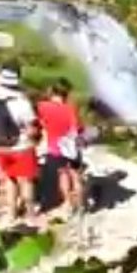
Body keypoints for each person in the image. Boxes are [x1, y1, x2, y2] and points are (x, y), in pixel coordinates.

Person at [0, 66, 39, 227]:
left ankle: (11, 214)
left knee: (10, 180)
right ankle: (30, 214)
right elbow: (30, 129)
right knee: (26, 181)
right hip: (20, 147)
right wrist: (35, 137)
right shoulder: (21, 102)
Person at [36, 79, 85, 219]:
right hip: (72, 147)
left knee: (63, 176)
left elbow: (39, 122)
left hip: (56, 148)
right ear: (66, 93)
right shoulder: (71, 108)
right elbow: (79, 129)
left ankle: (68, 205)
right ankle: (81, 207)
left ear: (52, 91)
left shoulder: (43, 106)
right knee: (76, 176)